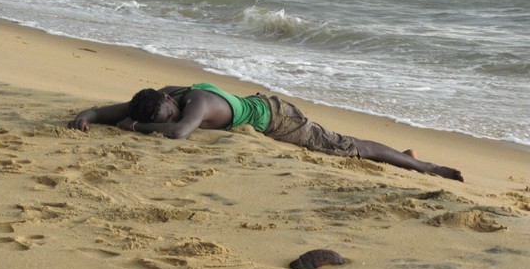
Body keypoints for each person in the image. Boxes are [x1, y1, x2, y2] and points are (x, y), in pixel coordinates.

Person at [67, 82, 464, 182]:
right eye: (162, 116)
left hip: (276, 118)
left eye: (168, 113)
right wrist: (85, 118)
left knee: (348, 147)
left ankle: (422, 165)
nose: (169, 117)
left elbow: (178, 134)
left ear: (169, 100)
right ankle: (407, 158)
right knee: (345, 145)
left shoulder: (196, 102)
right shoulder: (160, 98)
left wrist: (137, 127)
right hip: (257, 107)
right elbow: (104, 111)